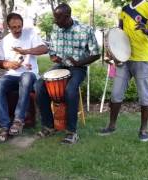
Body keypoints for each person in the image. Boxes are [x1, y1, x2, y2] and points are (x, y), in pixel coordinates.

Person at [35, 3, 100, 144]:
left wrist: (79, 63)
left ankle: (71, 132)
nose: (55, 21)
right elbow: (52, 52)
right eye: (55, 18)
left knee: (70, 90)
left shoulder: (84, 30)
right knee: (39, 85)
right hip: (61, 65)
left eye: (58, 18)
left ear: (67, 17)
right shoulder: (55, 29)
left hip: (78, 68)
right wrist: (54, 57)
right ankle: (48, 126)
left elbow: (96, 54)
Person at [99, 0, 148, 142]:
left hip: (142, 59)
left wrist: (147, 30)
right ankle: (111, 126)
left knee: (144, 95)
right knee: (116, 94)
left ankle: (144, 129)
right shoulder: (124, 9)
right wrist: (113, 52)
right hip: (124, 58)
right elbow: (119, 33)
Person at [0, 13, 48, 142]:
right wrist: (9, 64)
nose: (17, 30)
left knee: (26, 78)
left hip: (30, 74)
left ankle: (18, 120)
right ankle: (4, 126)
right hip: (12, 74)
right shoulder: (4, 41)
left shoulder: (30, 34)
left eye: (19, 26)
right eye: (14, 27)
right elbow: (0, 62)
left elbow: (44, 49)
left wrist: (26, 51)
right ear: (8, 26)